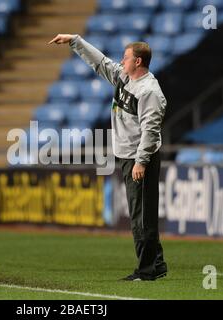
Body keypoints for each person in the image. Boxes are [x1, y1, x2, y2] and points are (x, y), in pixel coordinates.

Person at [49, 34, 168, 281]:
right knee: (141, 213)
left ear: (138, 61)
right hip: (126, 155)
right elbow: (101, 62)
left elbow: (151, 129)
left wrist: (141, 161)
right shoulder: (124, 77)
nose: (121, 61)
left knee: (141, 216)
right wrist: (75, 41)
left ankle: (146, 271)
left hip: (139, 158)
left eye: (125, 58)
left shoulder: (149, 92)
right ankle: (156, 264)